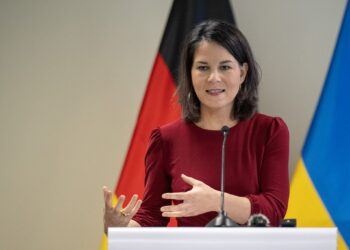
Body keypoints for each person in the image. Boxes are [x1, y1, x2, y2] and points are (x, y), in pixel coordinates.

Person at [103, 19, 289, 232]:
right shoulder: (166, 139)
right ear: (190, 74)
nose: (213, 78)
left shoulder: (270, 131)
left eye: (225, 67)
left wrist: (215, 200)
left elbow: (274, 211)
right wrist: (119, 227)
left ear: (243, 72)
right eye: (202, 67)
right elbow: (152, 219)